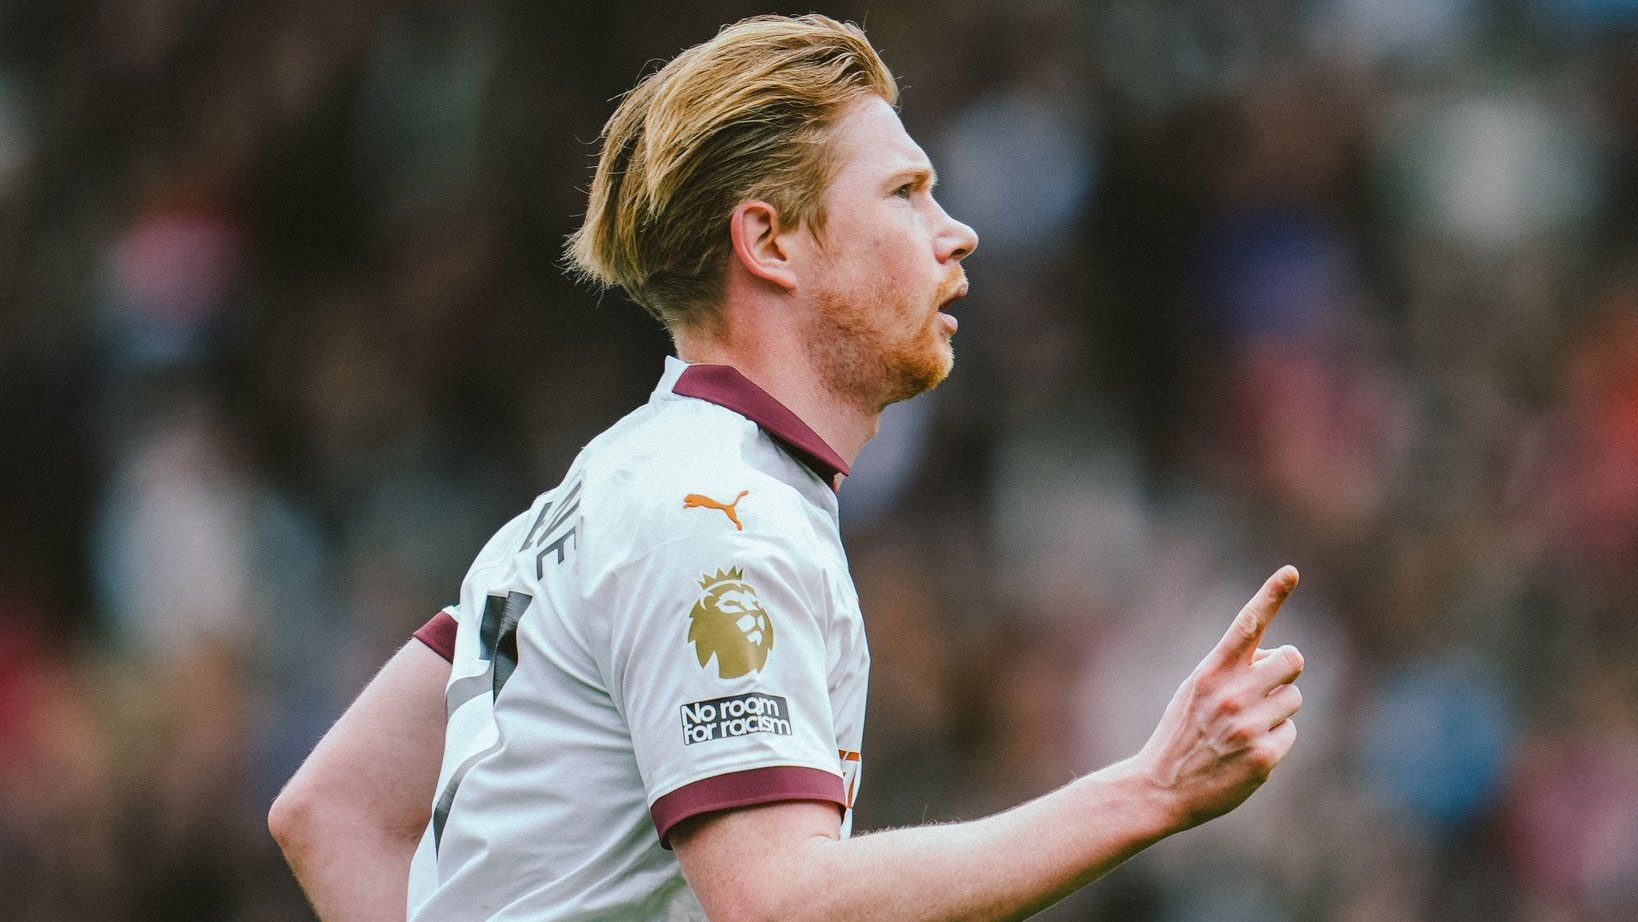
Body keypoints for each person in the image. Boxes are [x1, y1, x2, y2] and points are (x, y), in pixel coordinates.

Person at [268, 14, 1306, 922]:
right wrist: (1148, 790)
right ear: (769, 243)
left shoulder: (589, 501)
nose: (957, 233)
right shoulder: (712, 514)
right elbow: (779, 901)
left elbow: (331, 812)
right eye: (905, 193)